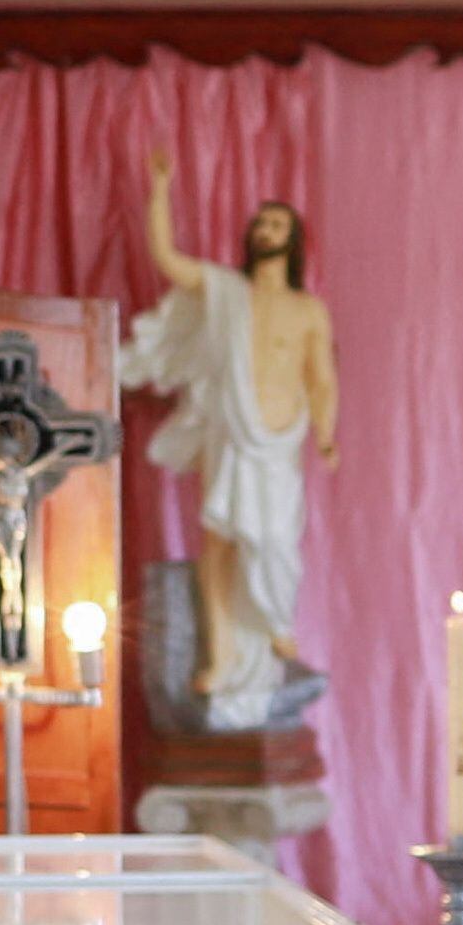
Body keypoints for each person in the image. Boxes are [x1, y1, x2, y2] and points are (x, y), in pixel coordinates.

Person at [121, 169, 338, 728]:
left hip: (279, 439)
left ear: (293, 240)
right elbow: (168, 259)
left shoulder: (308, 310)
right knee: (218, 543)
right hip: (230, 430)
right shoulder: (225, 292)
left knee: (273, 540)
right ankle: (220, 657)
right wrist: (160, 191)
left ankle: (275, 620)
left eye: (278, 224)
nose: (267, 229)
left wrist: (326, 432)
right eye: (262, 222)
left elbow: (321, 378)